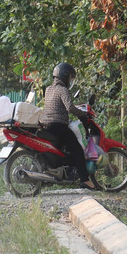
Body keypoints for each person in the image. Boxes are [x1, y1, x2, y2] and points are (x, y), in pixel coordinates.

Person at [41, 62, 96, 190]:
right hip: (58, 126)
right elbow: (70, 108)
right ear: (65, 76)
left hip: (47, 125)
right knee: (77, 150)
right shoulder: (62, 90)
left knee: (63, 150)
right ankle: (84, 180)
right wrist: (82, 115)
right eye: (70, 77)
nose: (70, 81)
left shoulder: (48, 89)